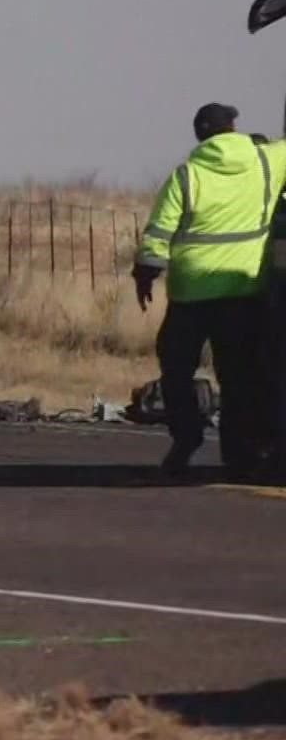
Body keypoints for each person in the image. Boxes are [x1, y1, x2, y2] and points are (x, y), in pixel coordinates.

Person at [135, 103, 282, 475]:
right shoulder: (266, 162)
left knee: (176, 368)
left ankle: (186, 436)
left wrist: (146, 273)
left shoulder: (186, 176)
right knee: (237, 375)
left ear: (200, 135)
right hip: (241, 290)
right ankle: (240, 450)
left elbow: (158, 232)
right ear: (233, 128)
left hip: (190, 294)